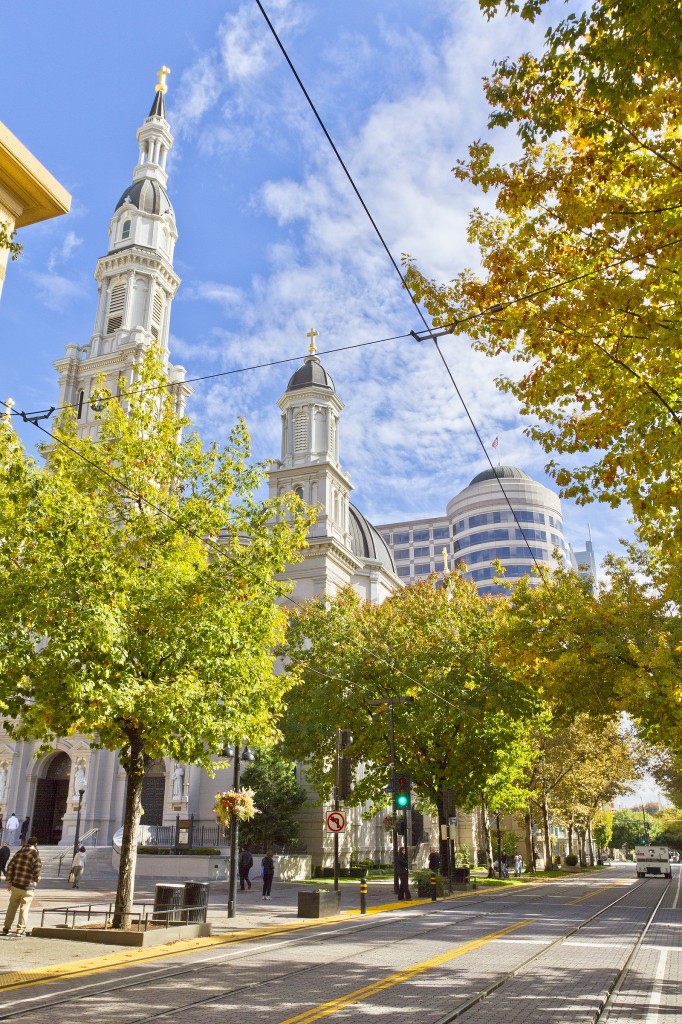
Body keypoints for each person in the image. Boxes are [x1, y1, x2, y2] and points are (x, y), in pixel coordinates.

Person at [3, 835, 41, 936]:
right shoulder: (34, 854)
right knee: (24, 908)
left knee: (12, 907)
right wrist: (37, 879)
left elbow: (10, 866)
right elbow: (37, 869)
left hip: (15, 884)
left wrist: (10, 881)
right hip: (27, 886)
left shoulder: (18, 853)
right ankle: (20, 929)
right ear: (35, 844)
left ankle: (6, 928)